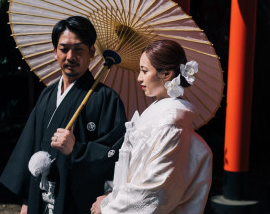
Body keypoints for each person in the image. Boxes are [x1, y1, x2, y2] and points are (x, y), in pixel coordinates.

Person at [0, 16, 127, 213]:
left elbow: (115, 154)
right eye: (64, 49)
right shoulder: (47, 94)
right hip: (40, 195)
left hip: (77, 201)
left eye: (78, 49)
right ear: (54, 52)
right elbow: (30, 145)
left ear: (92, 52)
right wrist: (26, 200)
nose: (70, 56)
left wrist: (76, 150)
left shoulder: (107, 99)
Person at [91, 39, 213, 214]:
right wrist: (112, 196)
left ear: (167, 74)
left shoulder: (170, 126)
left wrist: (108, 206)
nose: (139, 77)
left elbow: (155, 192)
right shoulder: (160, 117)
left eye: (144, 71)